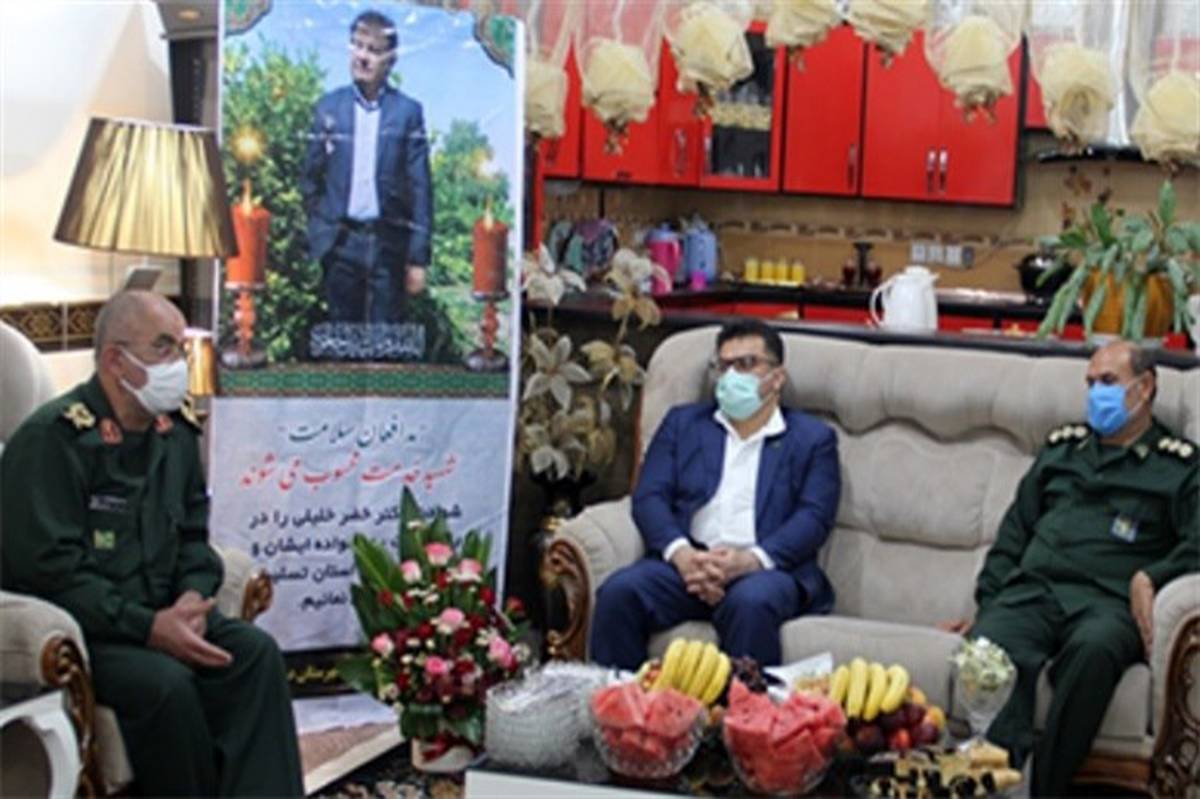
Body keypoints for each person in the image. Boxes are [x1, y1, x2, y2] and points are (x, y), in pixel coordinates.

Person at [0, 291, 304, 797]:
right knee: (167, 686)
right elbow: (51, 573)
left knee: (255, 654)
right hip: (96, 631)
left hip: (166, 613)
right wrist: (149, 627)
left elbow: (193, 536)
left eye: (179, 348)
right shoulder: (53, 440)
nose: (178, 363)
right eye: (163, 348)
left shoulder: (174, 431)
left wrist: (191, 598)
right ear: (115, 361)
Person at [942, 340, 1198, 797]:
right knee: (988, 647)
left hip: (1108, 604)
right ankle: (1000, 782)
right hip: (1035, 593)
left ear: (1144, 388)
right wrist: (988, 605)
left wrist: (1152, 576)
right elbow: (1015, 532)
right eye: (1090, 383)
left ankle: (1046, 788)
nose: (1096, 394)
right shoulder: (1062, 450)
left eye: (1108, 382)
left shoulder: (1177, 466)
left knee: (1094, 652)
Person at [590, 319, 841, 669]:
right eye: (724, 366)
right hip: (687, 566)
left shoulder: (812, 439)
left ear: (777, 378)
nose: (733, 375)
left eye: (747, 364)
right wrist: (682, 554)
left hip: (764, 572)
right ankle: (619, 701)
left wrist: (750, 560)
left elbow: (814, 518)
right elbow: (649, 497)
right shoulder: (683, 424)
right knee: (619, 592)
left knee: (750, 603)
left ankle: (743, 705)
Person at [301, 8, 433, 325]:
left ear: (390, 60)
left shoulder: (407, 113)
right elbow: (309, 178)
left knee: (385, 337)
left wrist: (418, 259)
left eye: (373, 50)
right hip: (340, 243)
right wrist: (322, 226)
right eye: (357, 46)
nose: (362, 57)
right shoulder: (328, 108)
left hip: (388, 245)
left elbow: (420, 189)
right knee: (341, 335)